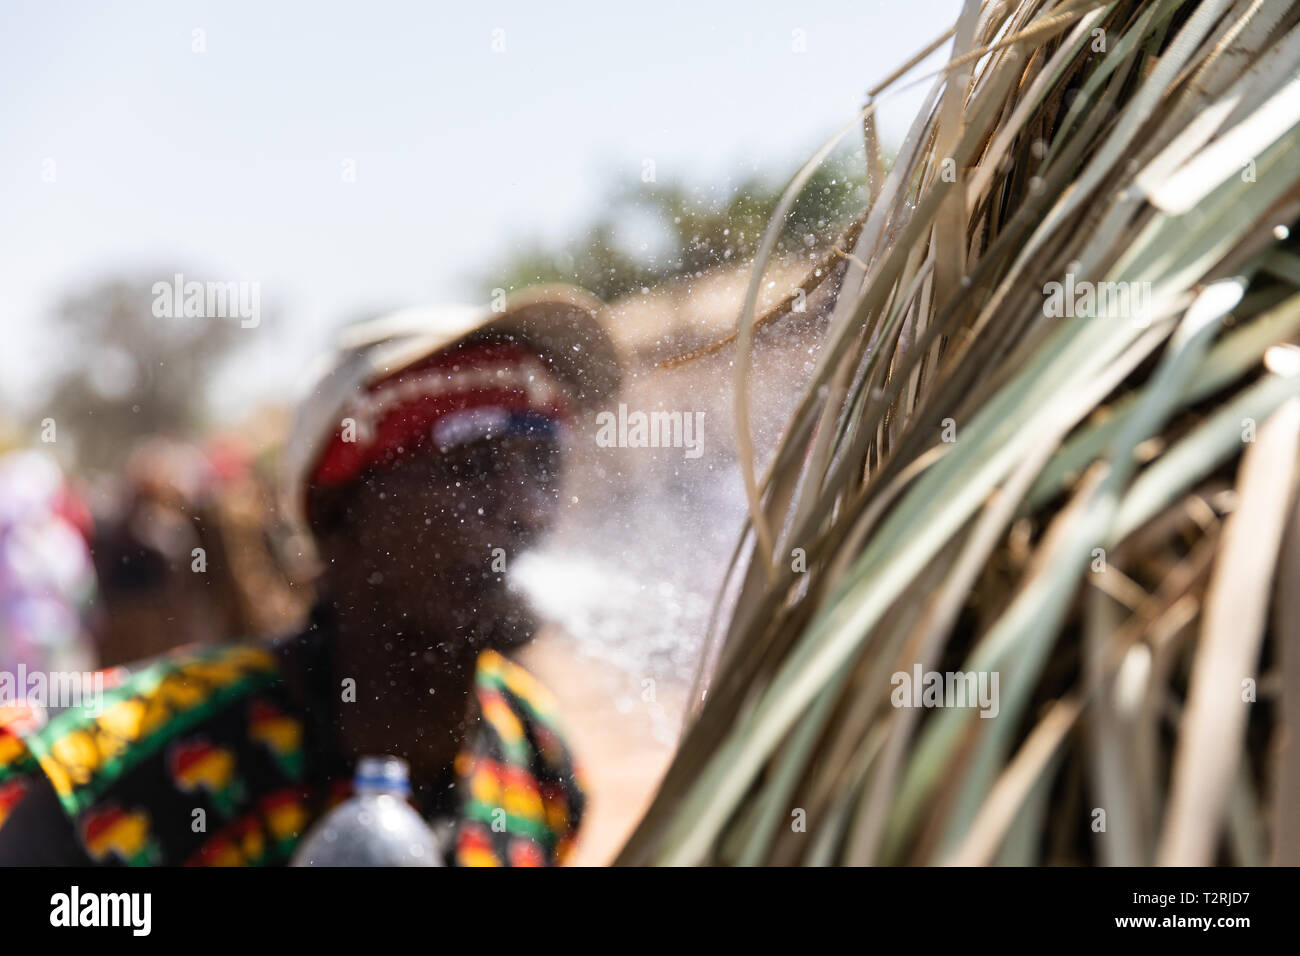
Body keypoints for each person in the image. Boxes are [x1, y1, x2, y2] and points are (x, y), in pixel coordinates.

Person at [0, 285, 620, 866]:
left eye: (543, 463)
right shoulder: (124, 773)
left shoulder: (537, 763)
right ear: (337, 517)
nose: (529, 509)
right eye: (472, 466)